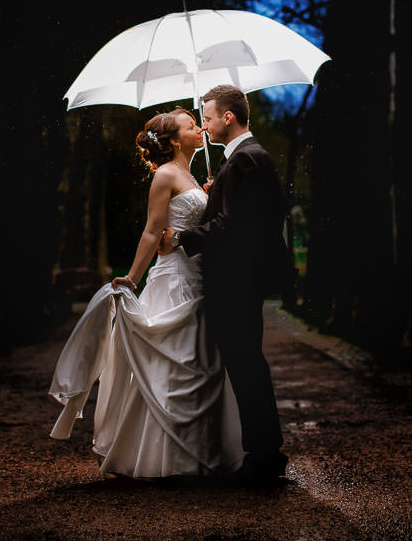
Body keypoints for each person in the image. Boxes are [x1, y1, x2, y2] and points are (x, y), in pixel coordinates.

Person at [47, 108, 243, 479]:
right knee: (176, 362)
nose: (200, 128)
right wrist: (133, 279)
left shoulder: (191, 175)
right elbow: (153, 231)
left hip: (201, 277)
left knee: (204, 362)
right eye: (190, 126)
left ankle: (203, 451)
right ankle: (166, 458)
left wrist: (210, 196)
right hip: (175, 279)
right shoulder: (165, 175)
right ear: (174, 140)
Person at [159, 85, 289, 482]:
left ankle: (263, 456)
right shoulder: (247, 158)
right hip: (244, 278)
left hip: (236, 281)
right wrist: (217, 194)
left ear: (228, 117)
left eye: (209, 117)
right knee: (247, 362)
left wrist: (181, 238)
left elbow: (232, 227)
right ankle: (264, 452)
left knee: (245, 364)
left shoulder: (244, 159)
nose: (205, 125)